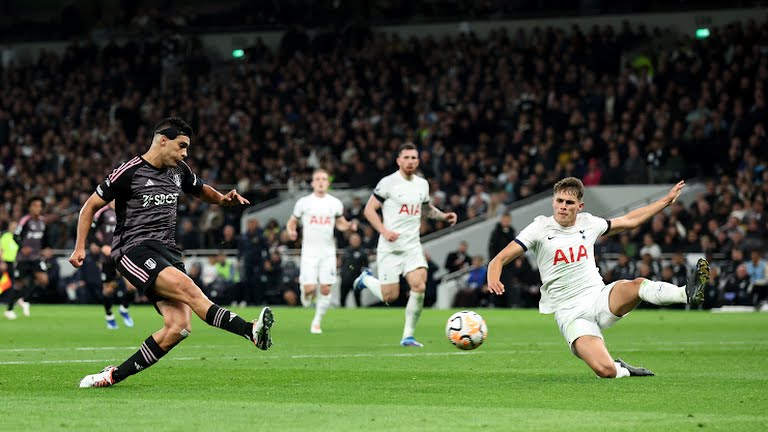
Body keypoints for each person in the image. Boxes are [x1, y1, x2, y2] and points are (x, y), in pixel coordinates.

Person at [70, 117, 274, 388]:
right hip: (134, 249)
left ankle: (111, 376)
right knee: (190, 290)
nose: (185, 153)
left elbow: (201, 190)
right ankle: (250, 331)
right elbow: (89, 207)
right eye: (181, 146)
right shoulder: (129, 172)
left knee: (179, 327)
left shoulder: (179, 170)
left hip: (168, 252)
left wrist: (222, 199)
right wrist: (80, 246)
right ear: (162, 141)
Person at [487, 177, 709, 378]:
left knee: (636, 285)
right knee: (605, 371)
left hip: (599, 297)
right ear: (553, 202)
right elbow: (499, 259)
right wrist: (493, 278)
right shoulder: (539, 228)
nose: (563, 207)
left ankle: (686, 293)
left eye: (569, 203)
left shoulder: (589, 223)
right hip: (570, 313)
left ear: (580, 206)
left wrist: (665, 202)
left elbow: (630, 221)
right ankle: (622, 368)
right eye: (559, 201)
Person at [353, 143, 457, 347]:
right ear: (398, 160)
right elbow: (369, 210)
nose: (410, 161)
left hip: (412, 247)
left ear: (418, 161)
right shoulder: (388, 183)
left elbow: (426, 209)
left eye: (414, 158)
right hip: (390, 248)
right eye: (406, 158)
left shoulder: (422, 184)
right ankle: (366, 279)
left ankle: (408, 336)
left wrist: (443, 216)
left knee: (419, 286)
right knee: (389, 296)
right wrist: (384, 231)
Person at [286, 168, 357, 334]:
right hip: (309, 252)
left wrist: (348, 226)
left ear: (328, 183)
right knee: (310, 289)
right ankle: (306, 294)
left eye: (324, 179)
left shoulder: (334, 203)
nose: (320, 182)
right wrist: (291, 231)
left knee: (326, 288)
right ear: (312, 183)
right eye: (317, 179)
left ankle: (316, 322)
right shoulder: (303, 202)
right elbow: (292, 221)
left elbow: (340, 223)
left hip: (328, 252)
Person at [91, 200, 137, 329]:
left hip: (124, 255)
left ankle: (124, 308)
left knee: (132, 287)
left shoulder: (127, 211)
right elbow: (90, 233)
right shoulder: (102, 213)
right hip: (108, 257)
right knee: (109, 289)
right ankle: (109, 315)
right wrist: (102, 246)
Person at [8, 197, 50, 319]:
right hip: (23, 258)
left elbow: (45, 239)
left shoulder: (42, 222)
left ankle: (24, 300)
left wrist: (47, 248)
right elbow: (16, 236)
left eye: (39, 206)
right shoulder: (25, 220)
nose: (37, 208)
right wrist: (22, 247)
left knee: (43, 280)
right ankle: (10, 309)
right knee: (19, 284)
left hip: (36, 257)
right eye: (35, 205)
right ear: (30, 207)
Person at [1, 221, 19, 319]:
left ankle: (9, 309)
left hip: (12, 264)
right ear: (8, 227)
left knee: (8, 285)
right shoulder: (6, 236)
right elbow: (1, 249)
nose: (14, 228)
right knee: (7, 285)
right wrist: (1, 262)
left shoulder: (16, 237)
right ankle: (9, 310)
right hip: (5, 263)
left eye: (15, 226)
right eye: (12, 226)